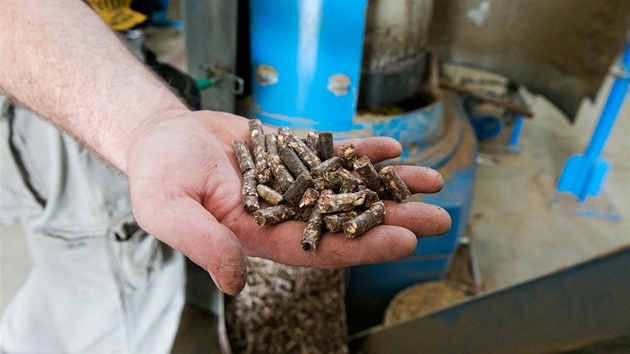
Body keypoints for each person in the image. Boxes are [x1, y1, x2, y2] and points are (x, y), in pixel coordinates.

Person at [0, 0, 452, 352]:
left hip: (77, 51)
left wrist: (148, 119)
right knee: (108, 305)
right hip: (42, 104)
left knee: (103, 287)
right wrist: (144, 123)